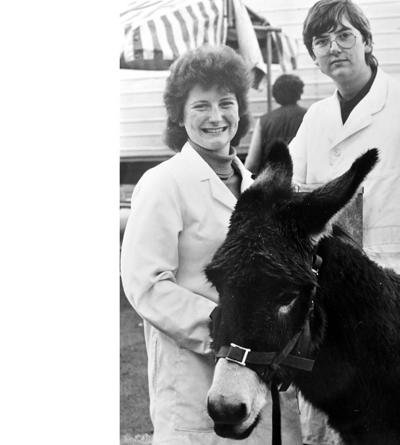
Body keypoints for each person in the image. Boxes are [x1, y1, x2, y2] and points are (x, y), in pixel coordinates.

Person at [288, 1, 400, 443]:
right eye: (322, 41)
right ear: (313, 55)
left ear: (367, 42)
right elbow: (293, 190)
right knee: (352, 423)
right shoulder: (315, 118)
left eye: (345, 36)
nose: (334, 48)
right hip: (343, 303)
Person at [120, 45, 302, 445]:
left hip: (261, 379)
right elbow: (145, 284)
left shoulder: (258, 187)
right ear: (179, 115)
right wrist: (228, 330)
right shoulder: (164, 183)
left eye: (226, 103)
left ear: (241, 109)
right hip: (195, 379)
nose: (216, 117)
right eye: (200, 106)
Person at [244, 73, 307, 174]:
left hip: (272, 181)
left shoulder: (264, 120)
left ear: (276, 94)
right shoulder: (309, 115)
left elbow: (252, 163)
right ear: (299, 92)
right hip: (301, 178)